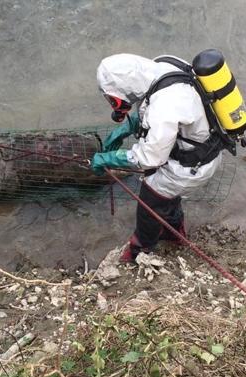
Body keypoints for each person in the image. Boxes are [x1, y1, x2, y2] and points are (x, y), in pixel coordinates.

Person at [90, 53, 225, 263]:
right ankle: (174, 234)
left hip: (191, 167)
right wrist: (128, 126)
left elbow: (149, 158)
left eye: (114, 99)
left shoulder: (166, 106)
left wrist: (110, 158)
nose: (115, 104)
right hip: (201, 148)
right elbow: (157, 109)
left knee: (149, 203)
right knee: (166, 199)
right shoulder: (164, 64)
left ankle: (140, 249)